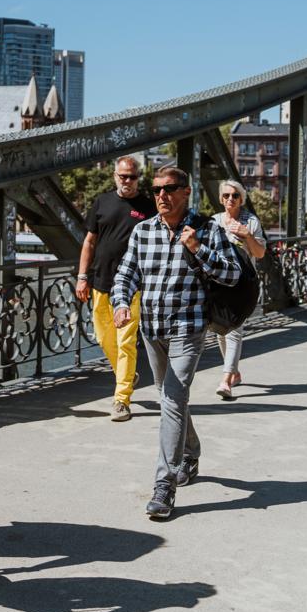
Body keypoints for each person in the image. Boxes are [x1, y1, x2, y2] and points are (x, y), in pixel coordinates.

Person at [112, 165, 243, 520]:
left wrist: (198, 248)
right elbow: (126, 274)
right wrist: (122, 302)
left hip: (189, 327)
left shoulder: (208, 229)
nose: (161, 196)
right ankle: (192, 450)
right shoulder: (143, 232)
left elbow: (232, 274)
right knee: (170, 397)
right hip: (152, 329)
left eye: (169, 189)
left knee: (171, 398)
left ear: (186, 192)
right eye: (155, 190)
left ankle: (164, 486)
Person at [76, 156, 155, 421]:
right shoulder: (102, 202)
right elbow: (89, 241)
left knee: (126, 343)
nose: (127, 181)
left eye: (132, 177)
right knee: (103, 337)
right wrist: (82, 276)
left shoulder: (147, 206)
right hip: (101, 281)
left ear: (138, 178)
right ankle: (128, 375)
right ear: (114, 176)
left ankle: (122, 400)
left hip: (132, 285)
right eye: (123, 176)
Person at [212, 181, 268, 397]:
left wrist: (247, 235)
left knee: (235, 330)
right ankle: (234, 372)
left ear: (242, 199)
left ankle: (225, 380)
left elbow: (260, 253)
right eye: (226, 195)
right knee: (220, 330)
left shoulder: (250, 221)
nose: (230, 199)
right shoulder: (215, 221)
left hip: (242, 284)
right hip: (218, 284)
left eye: (235, 195)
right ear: (220, 198)